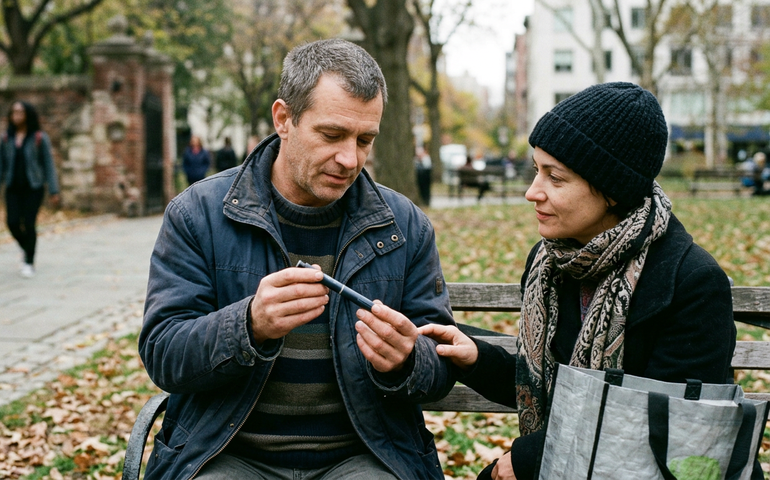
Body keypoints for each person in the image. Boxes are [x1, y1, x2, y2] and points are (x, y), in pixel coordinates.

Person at [139, 38, 456, 480]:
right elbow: (163, 352)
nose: (350, 159)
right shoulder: (198, 214)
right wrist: (248, 325)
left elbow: (439, 364)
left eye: (365, 139)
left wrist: (408, 359)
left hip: (362, 456)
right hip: (228, 453)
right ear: (283, 118)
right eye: (331, 135)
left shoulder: (405, 226)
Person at [419, 82, 738, 480]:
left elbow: (668, 427)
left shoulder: (692, 282)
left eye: (555, 177)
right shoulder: (551, 263)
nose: (531, 192)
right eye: (536, 170)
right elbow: (548, 386)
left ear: (611, 190)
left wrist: (529, 460)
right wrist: (476, 357)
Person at [0, 101, 59, 278]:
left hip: (34, 187)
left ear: (28, 115)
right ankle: (27, 248)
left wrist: (54, 190)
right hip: (12, 187)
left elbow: (48, 165)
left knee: (29, 222)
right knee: (12, 222)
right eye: (14, 112)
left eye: (20, 112)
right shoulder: (5, 138)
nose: (17, 115)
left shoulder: (39, 137)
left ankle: (29, 261)